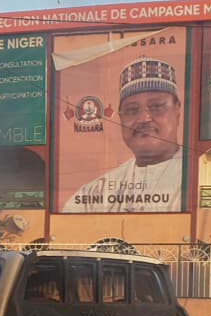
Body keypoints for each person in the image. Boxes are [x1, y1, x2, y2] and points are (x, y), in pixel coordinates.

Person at [66, 57, 183, 213]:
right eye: (132, 110)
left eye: (156, 106)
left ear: (177, 111)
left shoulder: (200, 176)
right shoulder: (94, 193)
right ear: (121, 118)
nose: (144, 119)